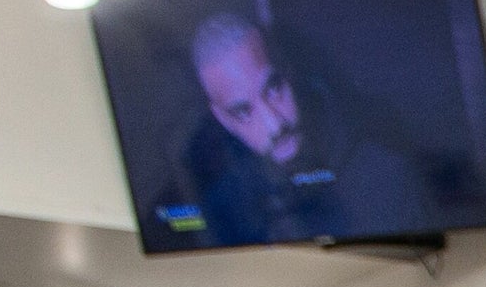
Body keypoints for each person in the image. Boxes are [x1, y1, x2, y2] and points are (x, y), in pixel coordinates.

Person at [172, 14, 420, 246]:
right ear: (224, 121)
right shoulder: (223, 213)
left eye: (274, 87)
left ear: (288, 72)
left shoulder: (387, 175)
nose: (275, 124)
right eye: (244, 111)